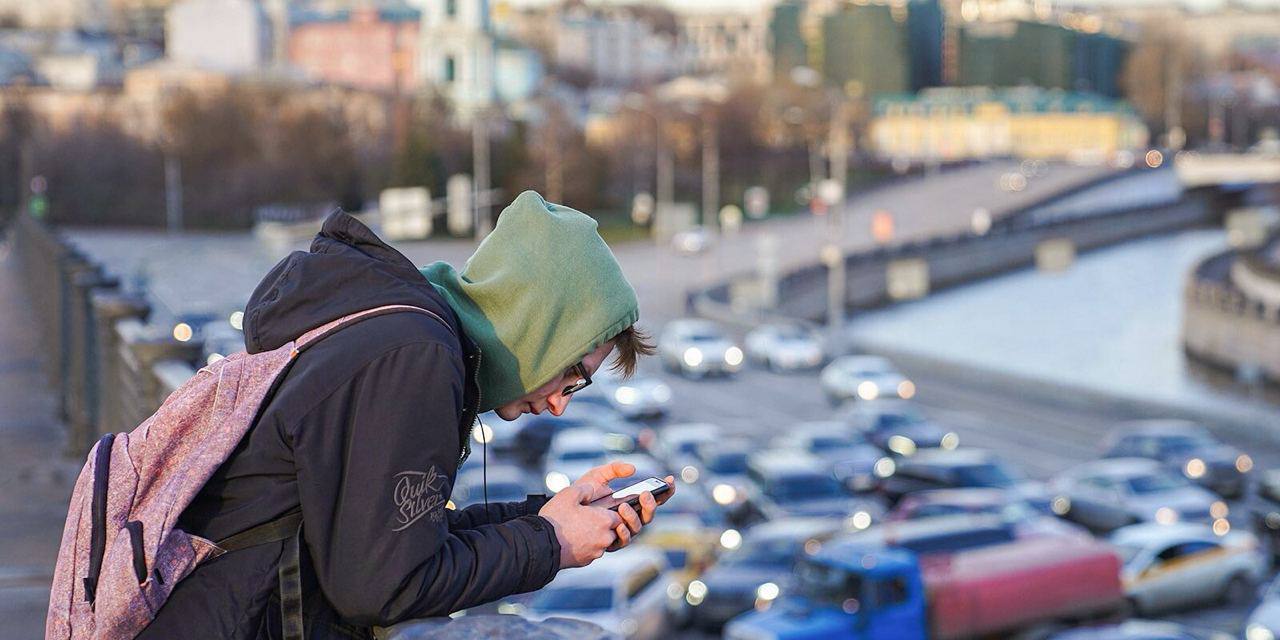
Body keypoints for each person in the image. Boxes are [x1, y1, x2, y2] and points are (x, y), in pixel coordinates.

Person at [138, 191, 672, 638]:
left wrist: (546, 518)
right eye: (573, 373)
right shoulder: (418, 359)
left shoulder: (402, 331)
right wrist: (553, 543)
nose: (560, 404)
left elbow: (391, 541)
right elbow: (383, 584)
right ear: (539, 324)